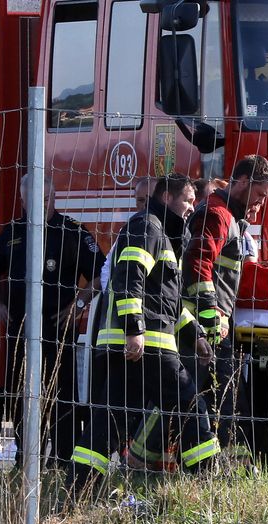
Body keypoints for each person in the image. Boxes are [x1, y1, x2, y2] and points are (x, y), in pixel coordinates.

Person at [69, 174, 217, 495]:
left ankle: (78, 487)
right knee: (190, 405)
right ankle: (206, 480)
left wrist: (196, 337)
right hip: (146, 343)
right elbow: (128, 278)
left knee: (110, 419)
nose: (193, 207)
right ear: (166, 197)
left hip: (136, 343)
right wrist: (134, 329)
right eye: (188, 200)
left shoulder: (161, 232)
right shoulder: (148, 226)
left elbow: (168, 303)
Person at [0, 175, 105, 465]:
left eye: (47, 197)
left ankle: (64, 460)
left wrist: (79, 304)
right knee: (23, 396)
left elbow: (102, 274)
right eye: (35, 198)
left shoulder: (72, 232)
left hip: (57, 332)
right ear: (23, 200)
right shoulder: (13, 232)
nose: (43, 203)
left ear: (54, 197)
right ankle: (27, 459)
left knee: (63, 398)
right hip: (20, 332)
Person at [179, 155, 268, 463]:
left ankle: (218, 463)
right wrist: (210, 314)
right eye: (260, 195)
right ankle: (158, 461)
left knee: (220, 395)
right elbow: (197, 264)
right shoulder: (217, 214)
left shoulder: (231, 218)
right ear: (244, 182)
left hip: (215, 322)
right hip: (204, 324)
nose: (261, 204)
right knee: (213, 394)